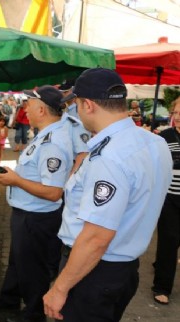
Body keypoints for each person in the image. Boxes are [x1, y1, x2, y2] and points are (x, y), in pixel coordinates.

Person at [43, 68, 172, 321]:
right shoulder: (154, 142)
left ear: (88, 105)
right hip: (123, 269)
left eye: (76, 104)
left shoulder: (110, 155)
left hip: (93, 272)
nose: (76, 112)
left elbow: (96, 238)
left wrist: (60, 287)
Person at [0, 86, 73, 322]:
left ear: (41, 109)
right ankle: (9, 300)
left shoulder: (53, 142)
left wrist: (15, 180)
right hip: (27, 214)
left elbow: (54, 192)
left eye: (28, 105)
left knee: (33, 269)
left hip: (37, 218)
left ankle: (33, 314)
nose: (24, 109)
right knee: (18, 261)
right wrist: (14, 177)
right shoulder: (44, 133)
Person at [151, 97, 180, 305]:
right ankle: (162, 286)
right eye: (175, 112)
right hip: (170, 199)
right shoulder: (164, 136)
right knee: (168, 244)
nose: (177, 117)